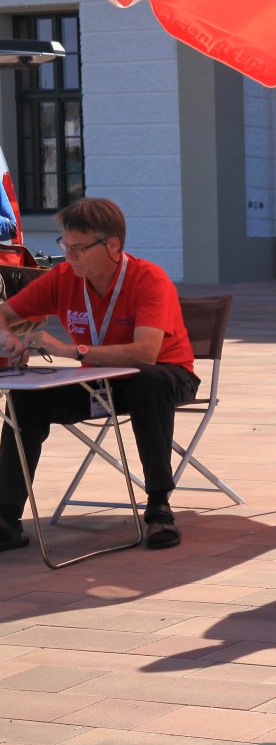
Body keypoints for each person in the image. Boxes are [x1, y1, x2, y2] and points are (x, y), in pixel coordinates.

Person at [0, 198, 198, 551]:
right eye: (65, 245)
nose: (69, 255)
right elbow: (3, 313)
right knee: (23, 401)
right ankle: (5, 519)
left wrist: (71, 350)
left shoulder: (149, 278)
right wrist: (8, 338)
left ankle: (159, 507)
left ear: (112, 245)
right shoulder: (63, 278)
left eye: (78, 248)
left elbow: (146, 353)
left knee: (146, 382)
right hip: (101, 382)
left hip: (167, 375)